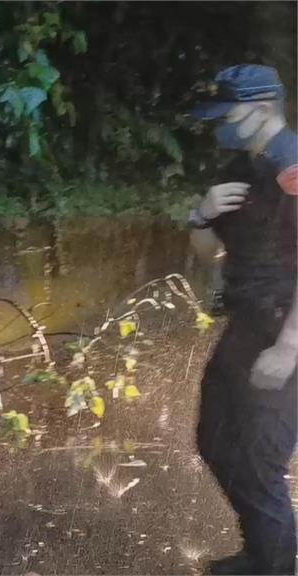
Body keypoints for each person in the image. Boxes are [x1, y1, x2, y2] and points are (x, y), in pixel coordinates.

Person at [188, 64, 297, 575]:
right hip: (249, 324)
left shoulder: (293, 167)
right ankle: (264, 554)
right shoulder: (242, 169)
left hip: (287, 330)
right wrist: (201, 216)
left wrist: (288, 348)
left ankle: (275, 566)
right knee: (215, 438)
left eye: (226, 114)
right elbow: (210, 252)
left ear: (260, 109)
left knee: (259, 460)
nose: (219, 125)